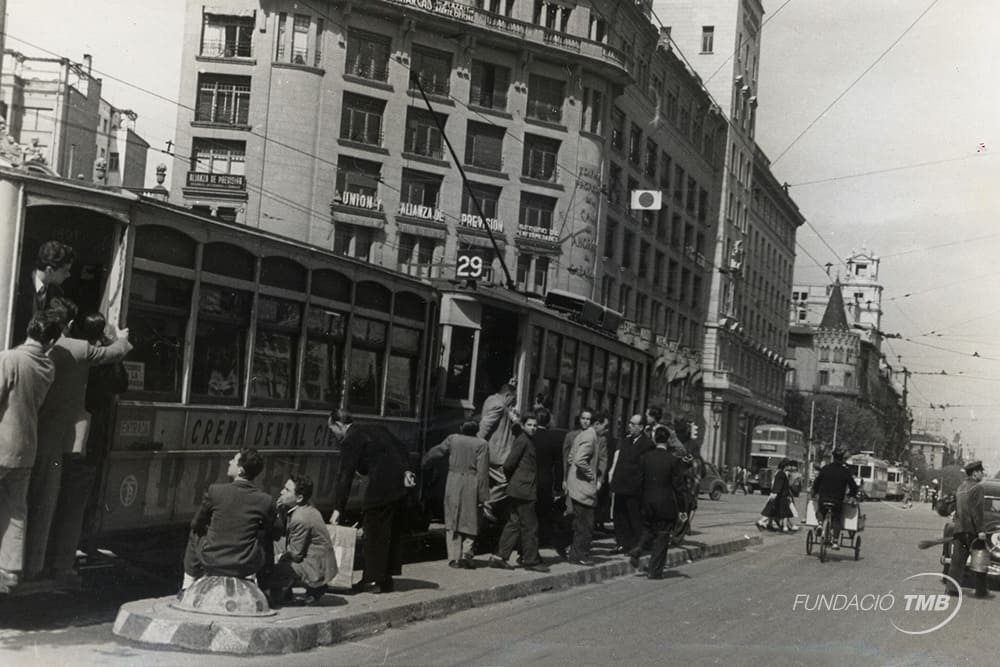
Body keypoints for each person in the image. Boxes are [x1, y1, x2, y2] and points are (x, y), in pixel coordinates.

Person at [25, 301, 132, 580]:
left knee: (47, 502)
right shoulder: (97, 358)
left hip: (55, 441)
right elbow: (121, 382)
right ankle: (61, 564)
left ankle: (40, 562)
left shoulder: (60, 351)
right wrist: (116, 340)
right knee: (72, 508)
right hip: (86, 445)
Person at [0, 314, 64, 592]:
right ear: (50, 341)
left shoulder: (9, 359)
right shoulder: (47, 366)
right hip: (27, 448)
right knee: (16, 509)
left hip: (1, 444)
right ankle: (10, 569)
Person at [330, 408, 408, 594]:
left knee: (373, 534)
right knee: (389, 533)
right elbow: (402, 448)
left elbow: (345, 476)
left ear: (339, 425)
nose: (333, 435)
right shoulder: (377, 428)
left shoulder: (350, 439)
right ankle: (386, 579)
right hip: (399, 487)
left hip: (380, 488)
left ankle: (373, 581)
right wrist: (406, 471)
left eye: (332, 430)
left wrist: (338, 509)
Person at [182, 448, 276, 589]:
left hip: (211, 561)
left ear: (241, 470)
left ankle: (187, 585)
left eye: (234, 460)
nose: (229, 461)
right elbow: (276, 530)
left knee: (195, 533)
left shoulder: (216, 491)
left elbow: (196, 523)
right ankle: (265, 589)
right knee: (265, 536)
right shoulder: (265, 500)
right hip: (245, 565)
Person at [421, 421, 489, 569]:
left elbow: (437, 452)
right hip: (472, 481)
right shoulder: (482, 444)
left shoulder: (453, 439)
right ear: (477, 430)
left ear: (461, 429)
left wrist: (424, 462)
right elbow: (483, 472)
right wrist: (483, 496)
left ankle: (453, 558)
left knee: (453, 517)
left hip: (453, 480)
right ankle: (467, 555)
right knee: (472, 519)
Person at [628, 427, 692, 579]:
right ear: (668, 441)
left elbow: (639, 482)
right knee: (662, 537)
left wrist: (640, 501)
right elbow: (678, 487)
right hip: (666, 504)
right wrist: (682, 509)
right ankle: (654, 571)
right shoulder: (673, 460)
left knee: (649, 527)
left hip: (647, 502)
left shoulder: (645, 458)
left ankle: (639, 547)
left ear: (655, 439)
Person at [490, 412, 548, 572]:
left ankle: (500, 556)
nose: (533, 428)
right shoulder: (523, 441)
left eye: (535, 425)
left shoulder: (527, 440)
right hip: (524, 490)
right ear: (523, 425)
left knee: (514, 523)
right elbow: (508, 464)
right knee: (530, 526)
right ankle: (530, 561)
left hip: (520, 488)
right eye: (529, 425)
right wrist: (516, 481)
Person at [268, 474, 336, 606]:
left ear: (299, 498)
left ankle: (314, 587)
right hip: (319, 559)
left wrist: (278, 559)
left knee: (275, 568)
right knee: (279, 551)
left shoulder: (301, 517)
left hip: (316, 566)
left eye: (287, 490)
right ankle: (296, 589)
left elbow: (296, 554)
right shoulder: (307, 506)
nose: (282, 492)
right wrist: (280, 510)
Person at [565, 410, 610, 566]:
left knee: (580, 523)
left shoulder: (581, 435)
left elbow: (571, 457)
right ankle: (580, 556)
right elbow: (578, 459)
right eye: (605, 426)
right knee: (586, 524)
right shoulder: (590, 437)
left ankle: (575, 555)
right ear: (596, 424)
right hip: (583, 488)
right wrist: (591, 475)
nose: (606, 430)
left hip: (576, 485)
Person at [13, 240, 75, 343]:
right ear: (49, 270)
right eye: (65, 271)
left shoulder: (57, 293)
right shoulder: (16, 287)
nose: (69, 275)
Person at [610, 414, 653, 554]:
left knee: (634, 516)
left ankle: (635, 545)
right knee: (619, 515)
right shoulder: (625, 441)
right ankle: (621, 543)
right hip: (620, 485)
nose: (630, 426)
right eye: (630, 423)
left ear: (641, 427)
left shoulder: (647, 444)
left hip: (634, 488)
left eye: (633, 424)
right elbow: (620, 463)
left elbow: (645, 468)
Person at [946, 460, 988, 598]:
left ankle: (952, 589)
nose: (983, 474)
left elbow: (957, 510)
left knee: (957, 561)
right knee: (980, 559)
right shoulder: (978, 488)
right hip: (972, 531)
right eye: (981, 472)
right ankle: (981, 591)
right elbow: (977, 512)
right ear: (975, 473)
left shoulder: (961, 487)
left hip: (959, 529)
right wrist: (981, 530)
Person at [477, 383, 518, 522]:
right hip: (497, 454)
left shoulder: (491, 399)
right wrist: (476, 443)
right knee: (507, 481)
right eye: (513, 399)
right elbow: (485, 426)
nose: (513, 403)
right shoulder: (499, 406)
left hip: (494, 452)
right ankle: (487, 504)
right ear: (507, 396)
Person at [530, 408, 566, 553]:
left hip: (529, 479)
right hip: (545, 481)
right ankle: (541, 540)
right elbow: (558, 465)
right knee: (543, 513)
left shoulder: (530, 436)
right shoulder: (555, 439)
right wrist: (558, 486)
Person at [810, 449, 859, 549]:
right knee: (837, 518)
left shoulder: (825, 468)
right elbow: (853, 486)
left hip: (824, 498)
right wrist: (851, 495)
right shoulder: (845, 471)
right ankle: (836, 542)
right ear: (842, 459)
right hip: (837, 500)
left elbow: (816, 482)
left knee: (820, 511)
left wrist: (814, 492)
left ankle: (820, 524)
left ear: (833, 457)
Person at [755, 459, 796, 533]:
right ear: (785, 466)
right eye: (788, 465)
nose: (790, 467)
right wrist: (775, 493)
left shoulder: (780, 473)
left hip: (779, 496)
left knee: (773, 511)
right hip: (780, 496)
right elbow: (778, 485)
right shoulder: (781, 474)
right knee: (775, 511)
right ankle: (762, 522)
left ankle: (768, 524)